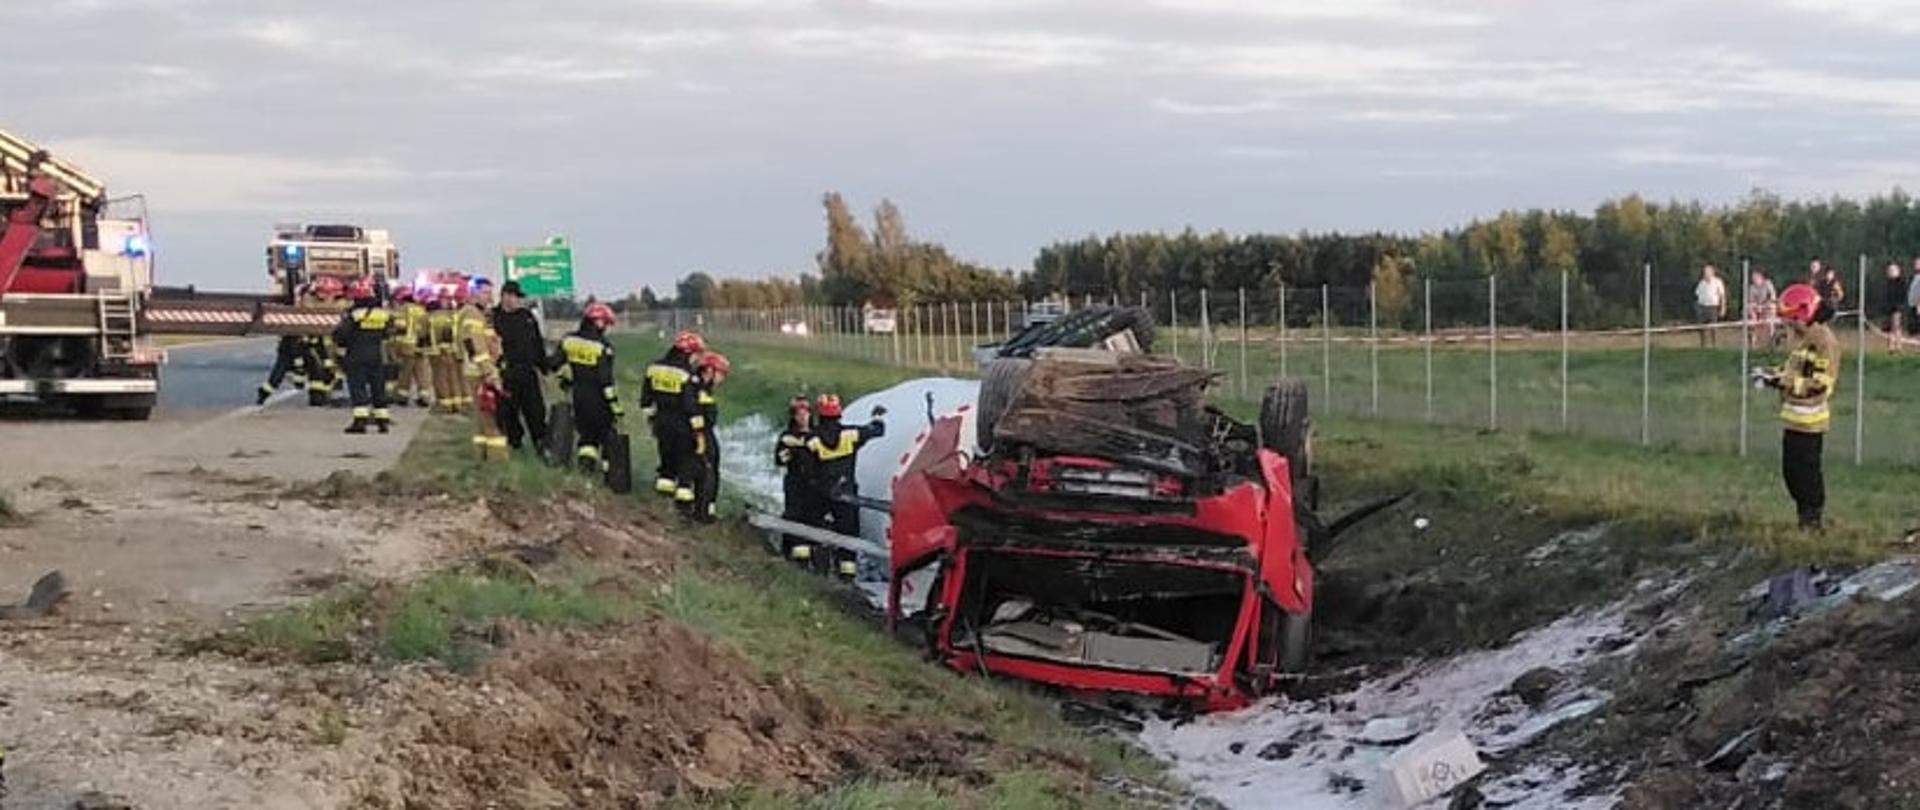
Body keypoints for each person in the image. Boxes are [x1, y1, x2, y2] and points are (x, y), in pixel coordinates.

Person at [1754, 283, 1840, 531]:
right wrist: (1772, 375)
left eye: (1793, 321)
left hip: (1810, 423)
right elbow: (1797, 371)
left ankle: (1813, 523)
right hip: (1794, 420)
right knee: (1792, 474)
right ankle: (1804, 519)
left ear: (1805, 314)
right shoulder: (1804, 340)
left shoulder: (1823, 342)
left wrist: (1782, 382)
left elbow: (1819, 385)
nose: (1790, 327)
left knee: (1807, 476)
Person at [804, 394, 887, 577]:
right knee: (849, 533)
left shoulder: (812, 440)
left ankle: (817, 564)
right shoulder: (850, 434)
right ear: (838, 415)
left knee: (813, 528)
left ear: (819, 415)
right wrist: (877, 417)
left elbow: (807, 470)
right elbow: (877, 430)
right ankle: (847, 573)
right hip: (846, 493)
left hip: (821, 493)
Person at [554, 302, 622, 476]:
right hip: (598, 400)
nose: (606, 328)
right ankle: (610, 475)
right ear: (597, 322)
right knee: (606, 435)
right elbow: (606, 381)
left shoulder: (569, 340)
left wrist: (565, 378)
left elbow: (554, 364)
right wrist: (615, 406)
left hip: (578, 397)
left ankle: (585, 470)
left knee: (586, 436)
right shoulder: (603, 347)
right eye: (605, 323)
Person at [641, 331, 704, 506]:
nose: (696, 359)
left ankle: (661, 502)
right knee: (685, 461)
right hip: (682, 426)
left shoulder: (654, 368)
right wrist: (698, 432)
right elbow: (691, 406)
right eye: (696, 354)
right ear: (689, 353)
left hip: (661, 422)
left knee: (666, 461)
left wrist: (652, 420)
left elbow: (646, 399)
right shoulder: (687, 376)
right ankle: (683, 507)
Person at [492, 281, 551, 457]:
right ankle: (514, 444)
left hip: (528, 372)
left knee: (535, 411)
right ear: (504, 296)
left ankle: (541, 444)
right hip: (507, 373)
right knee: (508, 413)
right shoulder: (494, 318)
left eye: (518, 297)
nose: (517, 301)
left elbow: (537, 343)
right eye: (515, 297)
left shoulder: (526, 317)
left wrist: (544, 367)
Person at [333, 277, 395, 434]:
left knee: (358, 387)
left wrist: (341, 347)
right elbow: (388, 333)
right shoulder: (383, 314)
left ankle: (360, 422)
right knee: (378, 387)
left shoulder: (355, 314)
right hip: (376, 355)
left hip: (356, 354)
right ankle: (382, 421)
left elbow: (341, 334)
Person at [460, 277, 508, 461]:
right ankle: (498, 459)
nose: (490, 297)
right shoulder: (472, 315)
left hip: (480, 370)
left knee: (481, 421)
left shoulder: (480, 314)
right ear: (473, 293)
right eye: (485, 293)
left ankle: (480, 457)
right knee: (492, 419)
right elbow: (476, 347)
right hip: (480, 373)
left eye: (490, 293)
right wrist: (489, 372)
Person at [775, 396, 821, 562]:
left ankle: (812, 554)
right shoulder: (787, 437)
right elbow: (780, 459)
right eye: (798, 414)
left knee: (813, 517)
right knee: (794, 515)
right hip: (795, 482)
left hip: (814, 484)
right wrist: (794, 452)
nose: (802, 417)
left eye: (805, 413)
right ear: (793, 416)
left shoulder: (818, 435)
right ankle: (793, 553)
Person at [688, 352, 730, 522]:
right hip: (699, 434)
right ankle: (702, 510)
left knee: (710, 467)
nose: (722, 379)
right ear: (709, 371)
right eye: (720, 373)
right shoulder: (697, 390)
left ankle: (706, 507)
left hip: (702, 432)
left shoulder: (703, 389)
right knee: (706, 469)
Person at [390, 285, 432, 407]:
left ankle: (402, 397)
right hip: (420, 346)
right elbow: (426, 330)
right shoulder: (421, 310)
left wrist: (394, 347)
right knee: (422, 372)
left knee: (405, 373)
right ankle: (424, 397)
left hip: (406, 347)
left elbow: (399, 327)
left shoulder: (401, 310)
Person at [426, 288, 464, 413]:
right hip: (454, 351)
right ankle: (457, 404)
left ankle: (445, 404)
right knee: (454, 377)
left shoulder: (432, 317)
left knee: (440, 378)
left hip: (437, 352)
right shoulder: (456, 315)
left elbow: (426, 334)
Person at [1694, 264, 1727, 347]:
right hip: (1702, 307)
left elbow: (1722, 295)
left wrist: (1723, 307)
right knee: (1701, 327)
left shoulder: (1717, 282)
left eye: (1708, 271)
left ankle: (1714, 345)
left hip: (1713, 307)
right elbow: (1697, 295)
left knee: (1713, 327)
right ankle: (1703, 345)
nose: (1706, 273)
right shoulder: (1701, 283)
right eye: (1705, 272)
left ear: (1712, 272)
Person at [1746, 268, 1779, 347]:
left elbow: (1773, 296)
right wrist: (1756, 306)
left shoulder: (1767, 283)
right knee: (1749, 308)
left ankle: (1772, 336)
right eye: (1753, 278)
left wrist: (1765, 304)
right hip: (1758, 307)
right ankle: (1753, 337)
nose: (1754, 280)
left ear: (1760, 277)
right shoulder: (1751, 287)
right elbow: (1751, 300)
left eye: (1755, 278)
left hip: (1768, 305)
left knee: (1771, 308)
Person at [1885, 262, 1908, 347]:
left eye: (1892, 270)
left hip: (1897, 307)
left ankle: (1898, 344)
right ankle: (1891, 345)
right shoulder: (1888, 283)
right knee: (1890, 327)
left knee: (1896, 325)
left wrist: (1900, 306)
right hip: (1889, 307)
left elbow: (1903, 295)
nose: (1890, 272)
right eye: (1889, 270)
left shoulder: (1901, 282)